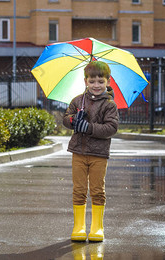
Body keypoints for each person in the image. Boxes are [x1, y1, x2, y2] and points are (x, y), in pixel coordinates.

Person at [62, 61, 119, 242]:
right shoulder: (78, 101)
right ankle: (79, 226)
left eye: (100, 81)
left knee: (96, 190)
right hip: (78, 152)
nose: (96, 85)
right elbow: (65, 118)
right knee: (78, 189)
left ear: (108, 82)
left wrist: (88, 126)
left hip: (98, 154)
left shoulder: (109, 105)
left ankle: (97, 227)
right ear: (85, 81)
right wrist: (73, 120)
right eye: (92, 81)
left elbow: (111, 128)